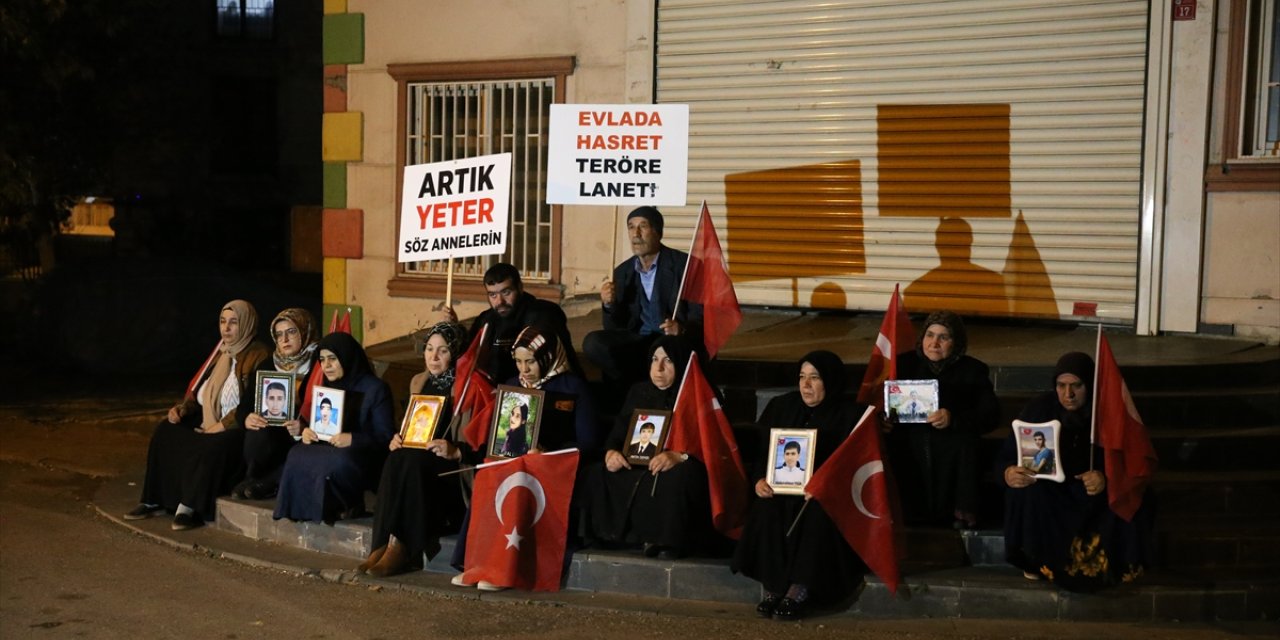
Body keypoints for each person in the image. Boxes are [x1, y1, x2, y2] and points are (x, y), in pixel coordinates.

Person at [451, 325, 603, 590]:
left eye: (530, 361)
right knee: (492, 472)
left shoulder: (573, 387)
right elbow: (501, 433)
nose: (524, 369)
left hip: (555, 465)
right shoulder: (512, 386)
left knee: (521, 478)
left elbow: (589, 441)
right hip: (517, 461)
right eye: (519, 362)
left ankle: (505, 570)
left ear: (545, 358)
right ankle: (477, 563)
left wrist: (549, 454)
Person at [732, 351, 868, 621]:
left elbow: (855, 467)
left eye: (814, 378)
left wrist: (825, 486)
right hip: (782, 489)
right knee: (767, 509)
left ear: (829, 381)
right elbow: (763, 454)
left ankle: (799, 588)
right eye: (802, 377)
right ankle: (774, 585)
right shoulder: (782, 407)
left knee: (816, 514)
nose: (805, 385)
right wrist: (759, 479)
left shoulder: (851, 415)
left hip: (825, 497)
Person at [1002, 352, 1154, 592]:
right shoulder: (1039, 410)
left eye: (1076, 386)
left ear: (1090, 385)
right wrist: (1009, 471)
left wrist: (1105, 477)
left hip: (1091, 489)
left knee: (1130, 497)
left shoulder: (1108, 413)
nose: (1068, 394)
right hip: (1053, 490)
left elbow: (1129, 462)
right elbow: (1010, 454)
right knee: (1026, 492)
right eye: (1061, 386)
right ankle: (1036, 560)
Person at [124, 300, 270, 530]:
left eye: (234, 322)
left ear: (247, 324)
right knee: (166, 431)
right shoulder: (220, 350)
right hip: (209, 418)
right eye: (223, 322)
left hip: (237, 426)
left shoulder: (259, 354)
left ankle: (189, 507)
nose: (227, 328)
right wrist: (182, 409)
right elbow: (201, 389)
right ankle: (154, 499)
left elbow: (251, 401)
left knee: (209, 446)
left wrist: (221, 425)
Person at [584, 336, 714, 559]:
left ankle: (663, 540)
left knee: (680, 476)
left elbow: (710, 444)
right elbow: (619, 432)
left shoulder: (699, 394)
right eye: (654, 359)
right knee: (597, 472)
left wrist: (679, 455)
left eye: (668, 361)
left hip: (675, 465)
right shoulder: (639, 391)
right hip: (637, 460)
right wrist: (612, 453)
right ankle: (611, 536)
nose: (659, 368)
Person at [359, 321, 469, 578]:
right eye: (429, 349)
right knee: (397, 456)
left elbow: (473, 437)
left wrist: (454, 448)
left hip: (448, 466)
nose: (433, 356)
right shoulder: (418, 381)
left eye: (442, 350)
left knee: (411, 462)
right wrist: (399, 438)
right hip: (418, 459)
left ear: (455, 352)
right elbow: (413, 426)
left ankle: (403, 545)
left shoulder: (465, 386)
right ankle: (383, 542)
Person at [888, 310, 998, 529]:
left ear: (956, 343)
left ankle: (958, 513)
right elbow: (883, 403)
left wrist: (953, 418)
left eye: (943, 337)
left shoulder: (973, 371)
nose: (934, 343)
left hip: (952, 444)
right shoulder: (903, 365)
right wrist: (884, 419)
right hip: (911, 438)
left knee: (963, 444)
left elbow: (990, 415)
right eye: (930, 335)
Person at [583, 207, 704, 405]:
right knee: (594, 342)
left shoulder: (685, 265)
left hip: (670, 340)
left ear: (658, 232)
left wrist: (680, 329)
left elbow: (699, 316)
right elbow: (613, 328)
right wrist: (609, 304)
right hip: (639, 339)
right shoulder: (622, 271)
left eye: (643, 227)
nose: (636, 234)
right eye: (631, 227)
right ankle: (633, 390)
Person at [273, 332, 395, 524]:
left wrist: (353, 439)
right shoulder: (326, 385)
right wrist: (307, 432)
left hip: (366, 454)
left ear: (346, 357)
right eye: (322, 360)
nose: (326, 366)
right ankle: (305, 510)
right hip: (329, 447)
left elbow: (386, 435)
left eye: (332, 359)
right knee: (298, 452)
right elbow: (321, 425)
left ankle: (346, 504)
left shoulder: (376, 389)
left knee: (339, 458)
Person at [442, 262, 579, 383]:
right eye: (493, 295)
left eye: (506, 292)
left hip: (540, 390)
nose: (500, 301)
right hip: (494, 393)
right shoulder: (486, 319)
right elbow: (468, 358)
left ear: (520, 287)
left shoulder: (543, 313)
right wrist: (454, 330)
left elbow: (558, 364)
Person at [234, 308, 318, 500]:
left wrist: (304, 425)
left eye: (291, 332)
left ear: (305, 331)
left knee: (304, 448)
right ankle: (254, 478)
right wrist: (247, 418)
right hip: (274, 434)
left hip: (303, 434)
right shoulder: (268, 365)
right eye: (279, 335)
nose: (285, 340)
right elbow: (244, 407)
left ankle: (271, 483)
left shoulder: (318, 363)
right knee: (257, 434)